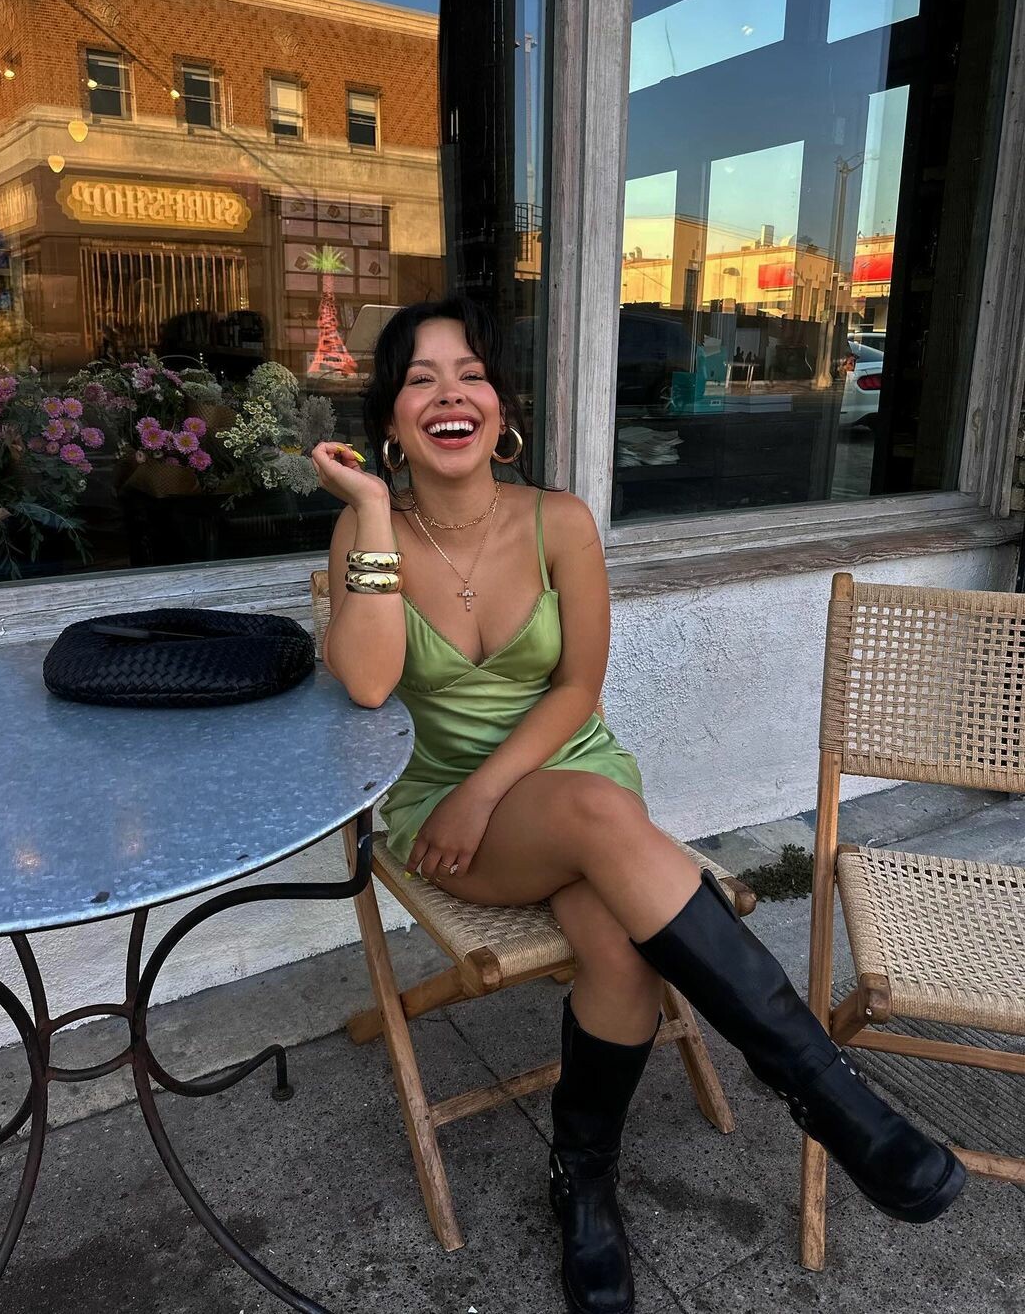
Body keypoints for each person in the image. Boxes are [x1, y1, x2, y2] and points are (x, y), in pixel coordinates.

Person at [311, 297, 964, 1314]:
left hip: (572, 782)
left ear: (501, 406)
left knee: (619, 951)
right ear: (390, 418)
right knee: (595, 824)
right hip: (446, 817)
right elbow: (364, 682)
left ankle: (584, 1182)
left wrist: (493, 788)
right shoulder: (369, 533)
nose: (450, 395)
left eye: (471, 374)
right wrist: (368, 510)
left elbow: (578, 689)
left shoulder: (561, 522)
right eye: (420, 380)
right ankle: (827, 1093)